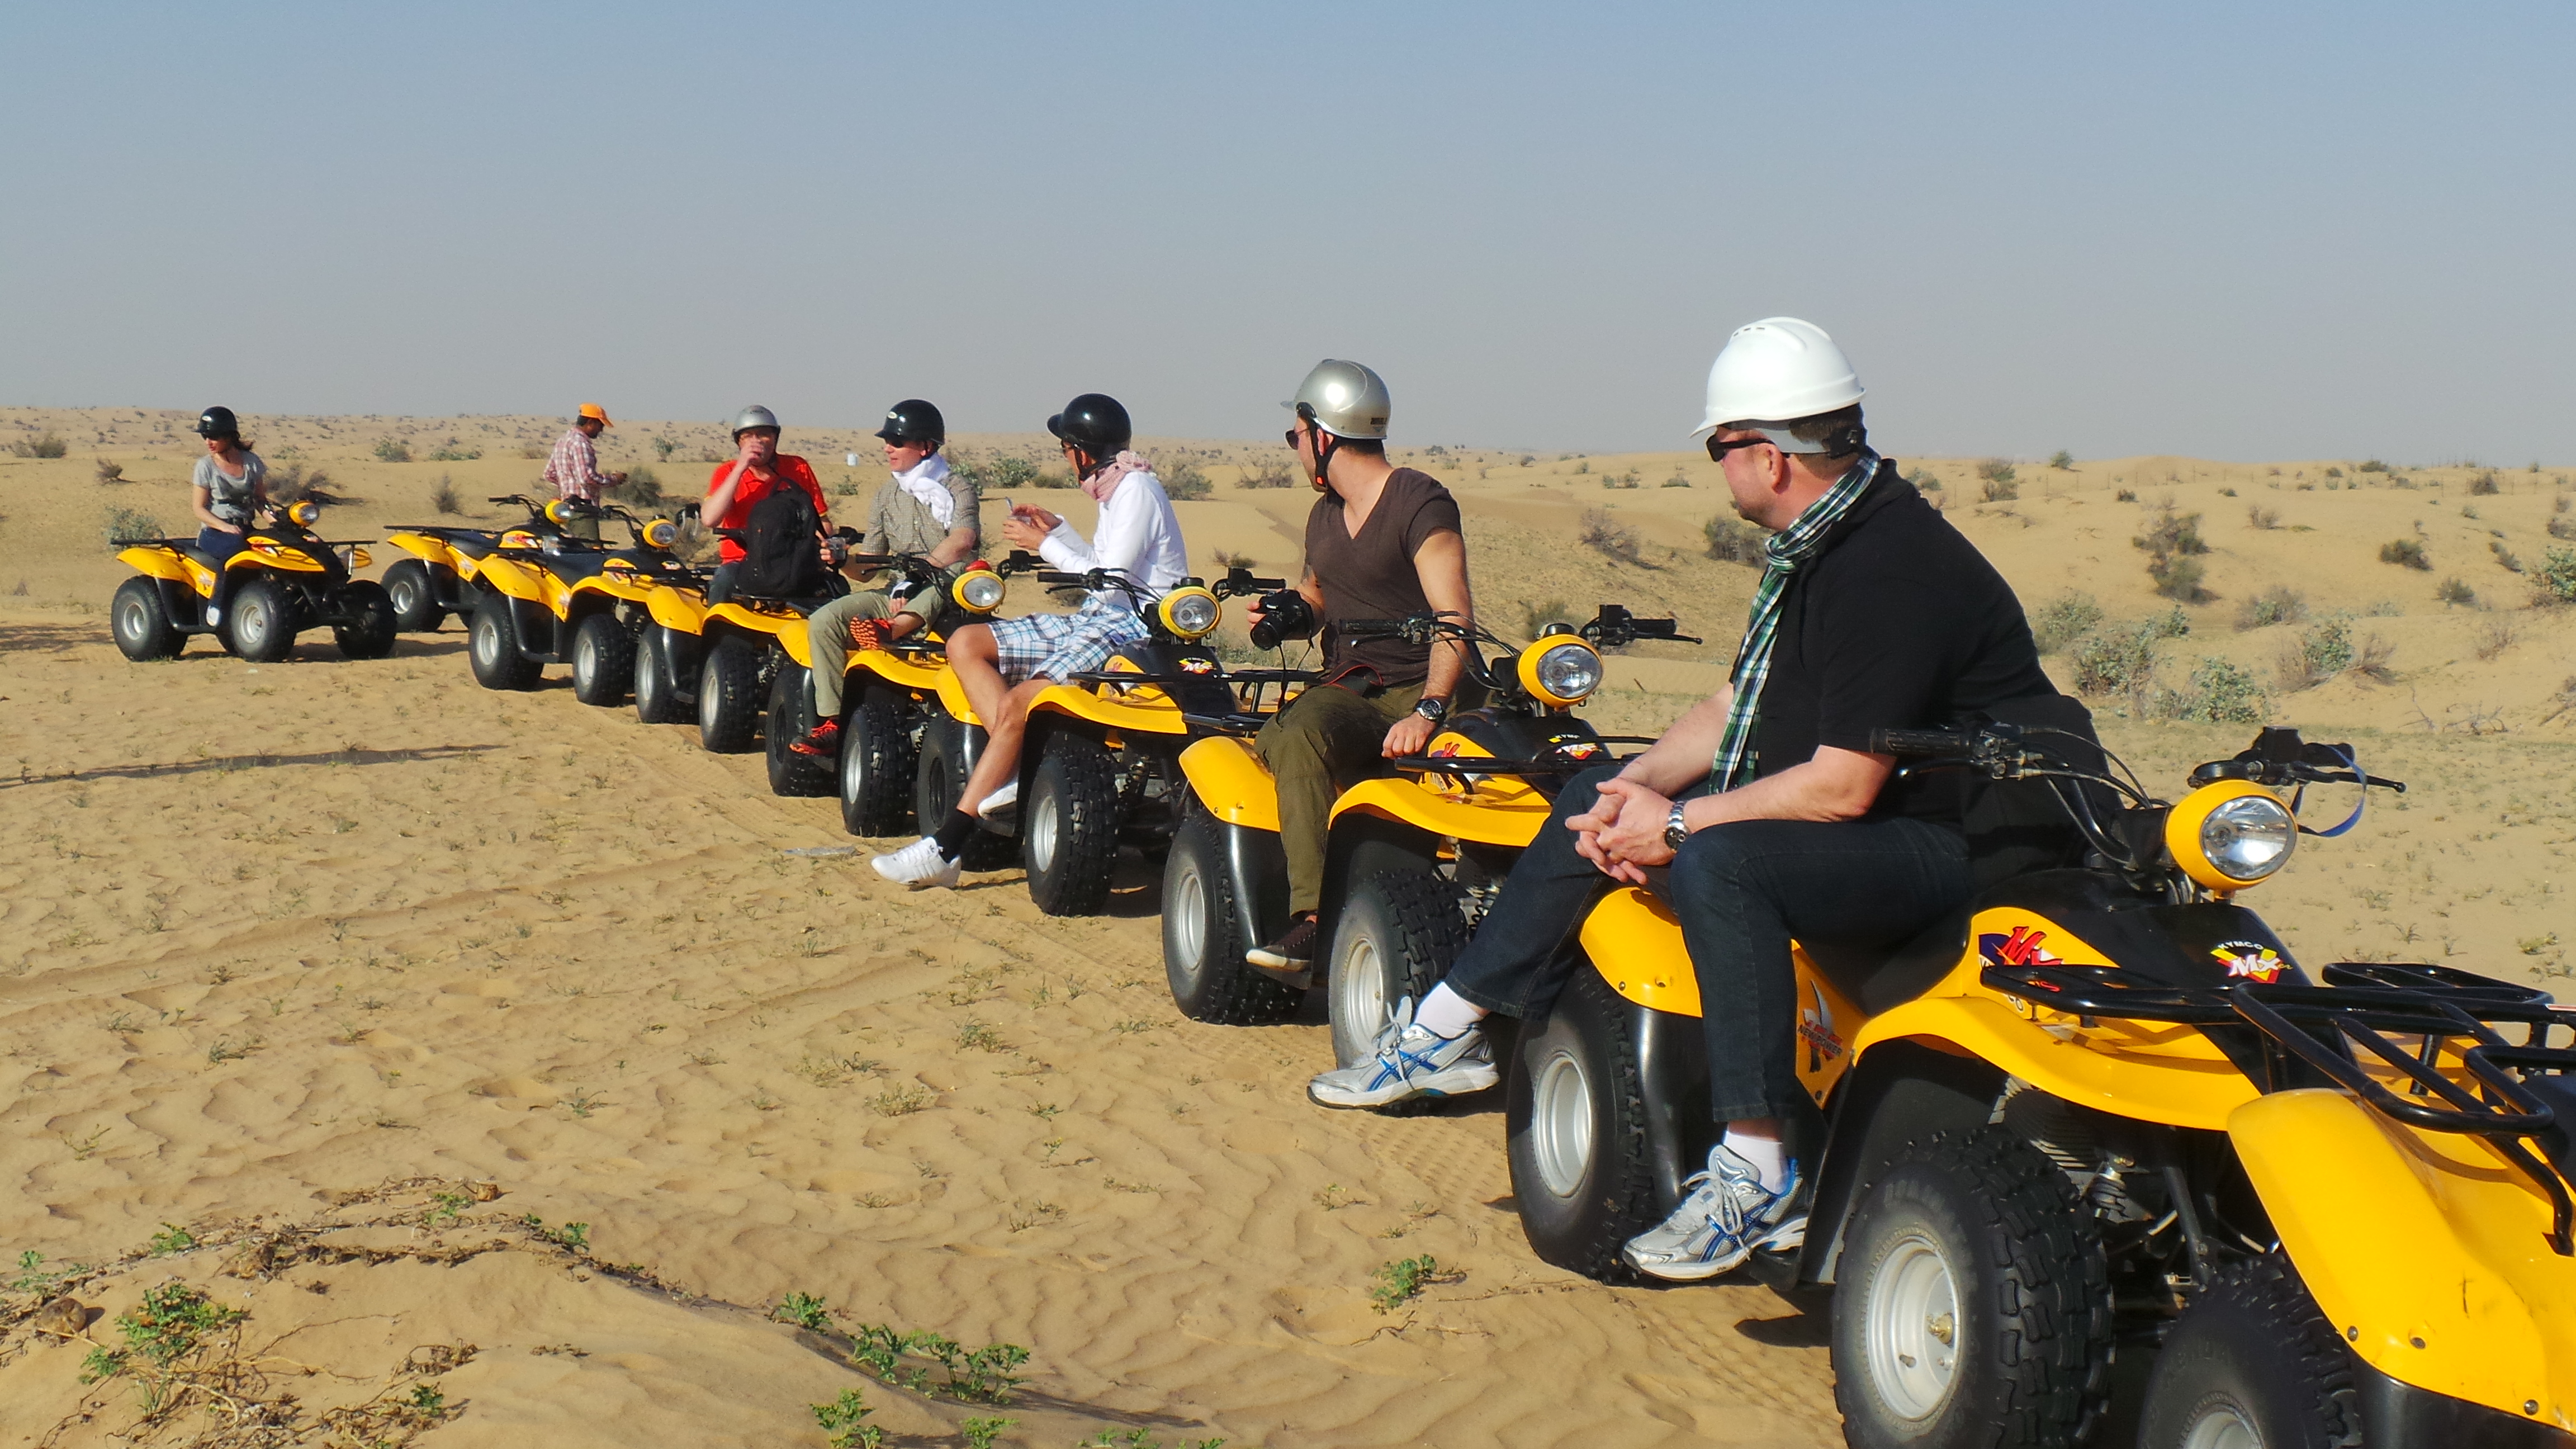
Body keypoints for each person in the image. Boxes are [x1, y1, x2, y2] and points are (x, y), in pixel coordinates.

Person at [1307, 318, 2055, 1284]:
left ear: (1768, 455)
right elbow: (1736, 706)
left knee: (1721, 858)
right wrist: (1640, 788)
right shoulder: (1822, 543)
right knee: (1591, 788)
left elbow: (1843, 784)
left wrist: (1674, 825)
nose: (1717, 470)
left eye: (1717, 448)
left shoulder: (1885, 565)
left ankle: (1757, 1169)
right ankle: (1445, 1028)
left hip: (1952, 841)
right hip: (1878, 808)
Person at [871, 392, 1187, 888]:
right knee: (966, 644)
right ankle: (1012, 768)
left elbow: (1110, 581)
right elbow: (1104, 567)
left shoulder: (1136, 491)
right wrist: (1059, 531)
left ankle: (947, 845)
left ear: (1081, 450)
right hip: (1097, 615)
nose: (1065, 457)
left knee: (1021, 703)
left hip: (1128, 626)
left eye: (1066, 447)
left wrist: (1046, 546)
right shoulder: (1116, 488)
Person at [1242, 360, 1477, 972]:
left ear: (1322, 434)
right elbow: (1319, 593)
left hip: (1425, 686)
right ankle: (1315, 919)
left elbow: (1453, 616)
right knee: (1293, 733)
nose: (1295, 450)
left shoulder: (1417, 500)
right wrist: (1290, 614)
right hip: (1353, 689)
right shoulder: (1325, 514)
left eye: (1295, 437)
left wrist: (1430, 710)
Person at [792, 399, 983, 757]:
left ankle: (889, 631)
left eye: (898, 441)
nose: (887, 448)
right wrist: (842, 558)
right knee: (823, 621)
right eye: (887, 440)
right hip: (894, 593)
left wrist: (914, 580)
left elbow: (962, 541)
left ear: (925, 446)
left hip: (950, 590)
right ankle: (833, 722)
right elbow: (869, 567)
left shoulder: (959, 488)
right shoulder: (885, 495)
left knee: (951, 575)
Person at [702, 405, 829, 603]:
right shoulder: (726, 472)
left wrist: (822, 547)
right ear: (739, 442)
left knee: (831, 590)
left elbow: (822, 521)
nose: (757, 442)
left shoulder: (798, 467)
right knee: (723, 583)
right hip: (741, 561)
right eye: (748, 437)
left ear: (775, 438)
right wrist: (740, 467)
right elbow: (710, 519)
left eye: (764, 435)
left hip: (790, 559)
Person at [187, 406, 272, 629]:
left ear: (229, 435)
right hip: (214, 534)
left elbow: (260, 501)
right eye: (205, 436)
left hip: (245, 528)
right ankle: (216, 605)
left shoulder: (251, 462)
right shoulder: (205, 466)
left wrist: (277, 524)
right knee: (236, 548)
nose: (208, 441)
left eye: (213, 436)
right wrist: (224, 527)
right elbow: (199, 509)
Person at [542, 402, 626, 541]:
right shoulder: (580, 443)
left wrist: (567, 487)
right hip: (582, 511)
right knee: (590, 551)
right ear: (591, 423)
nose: (601, 430)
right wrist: (614, 479)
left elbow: (549, 474)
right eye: (601, 426)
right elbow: (587, 478)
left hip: (565, 510)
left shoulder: (563, 440)